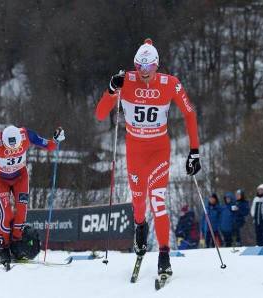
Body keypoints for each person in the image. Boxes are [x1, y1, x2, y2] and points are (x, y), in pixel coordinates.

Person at [95, 39, 201, 276]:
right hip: (134, 152)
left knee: (158, 201)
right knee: (139, 202)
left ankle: (164, 255)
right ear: (135, 65)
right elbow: (101, 114)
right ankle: (140, 227)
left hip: (159, 151)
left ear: (157, 66)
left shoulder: (170, 83)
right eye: (139, 67)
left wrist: (194, 151)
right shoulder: (126, 81)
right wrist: (111, 90)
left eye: (149, 68)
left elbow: (190, 114)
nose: (144, 73)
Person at [0, 125, 65, 266]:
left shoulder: (25, 135)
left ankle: (17, 244)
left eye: (16, 148)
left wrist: (56, 139)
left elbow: (49, 145)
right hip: (0, 180)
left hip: (20, 178)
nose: (14, 151)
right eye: (10, 149)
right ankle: (3, 247)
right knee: (7, 214)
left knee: (21, 213)